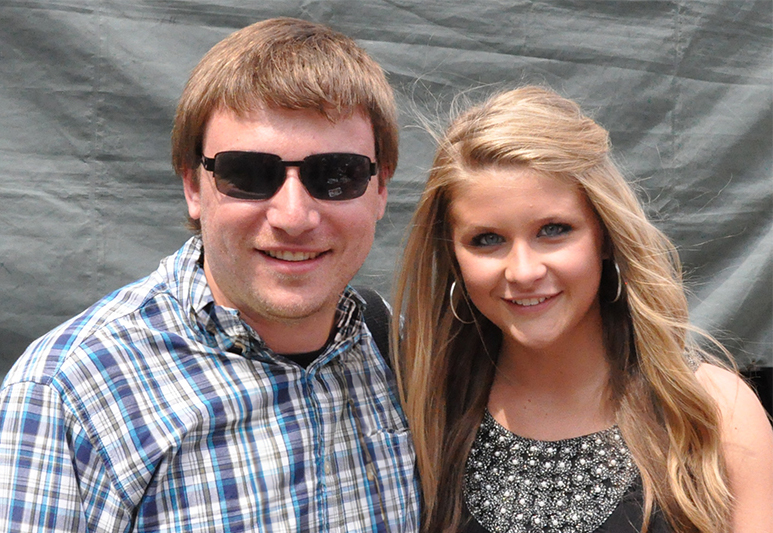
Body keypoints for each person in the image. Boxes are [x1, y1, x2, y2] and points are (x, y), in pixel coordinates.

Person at [0, 18, 419, 532]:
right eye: (248, 174)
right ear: (193, 188)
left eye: (337, 175)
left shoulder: (398, 351)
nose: (294, 216)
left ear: (380, 190)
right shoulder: (70, 394)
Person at [392, 86, 773, 532]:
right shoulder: (420, 411)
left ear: (605, 235)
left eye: (553, 230)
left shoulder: (712, 412)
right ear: (452, 256)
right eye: (487, 239)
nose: (523, 270)